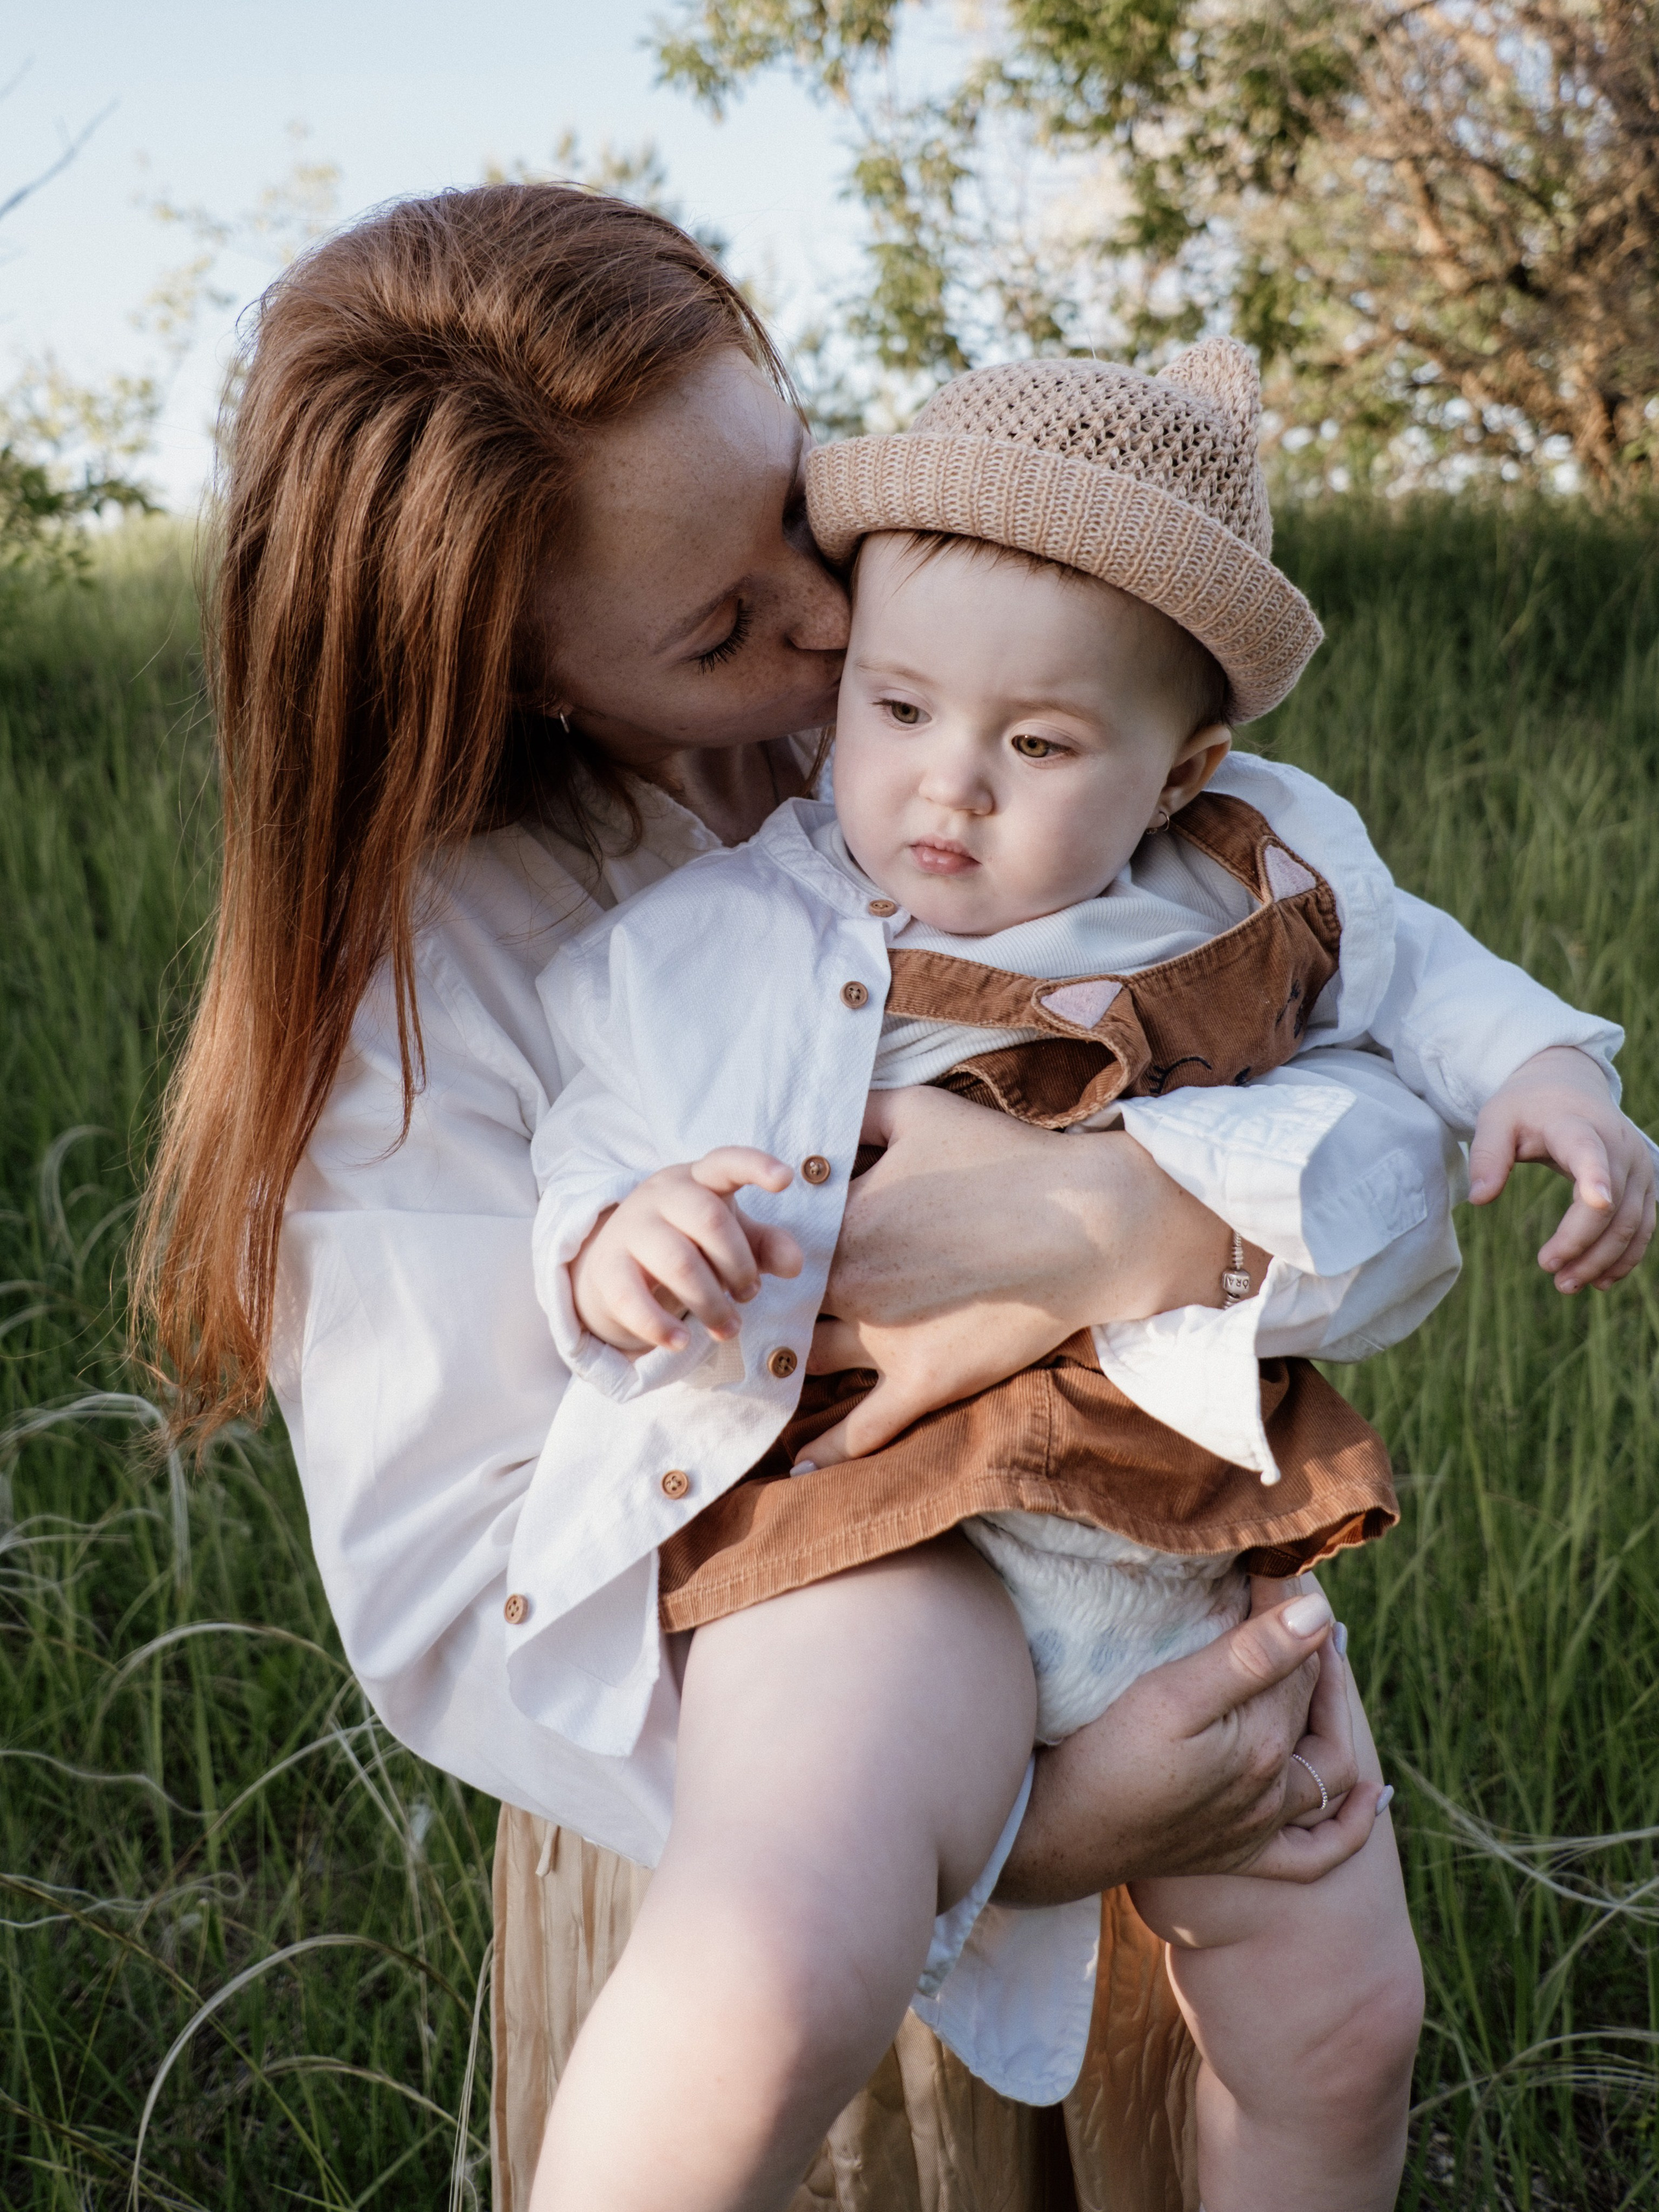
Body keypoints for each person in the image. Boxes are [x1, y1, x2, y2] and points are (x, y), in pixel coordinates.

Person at [130, 185, 1627, 2210]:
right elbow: (445, 1592)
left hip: (1151, 1555)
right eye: (727, 628)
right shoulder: (477, 975)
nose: (841, 629)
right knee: (783, 2046)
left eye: (802, 517)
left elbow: (1391, 1160)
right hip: (766, 1776)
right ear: (529, 676)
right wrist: (1033, 1824)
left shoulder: (1087, 759)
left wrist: (1139, 1228)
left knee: (1336, 2038)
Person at [525, 347, 1657, 2212]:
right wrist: (613, 1237)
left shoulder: (1256, 869)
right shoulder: (736, 929)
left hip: (1184, 1528)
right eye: (894, 709)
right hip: (874, 1530)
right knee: (766, 1975)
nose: (945, 788)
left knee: (1344, 2031)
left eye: (1040, 746)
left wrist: (1547, 1080)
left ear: (1181, 765)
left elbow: (1431, 983)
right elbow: (596, 1137)